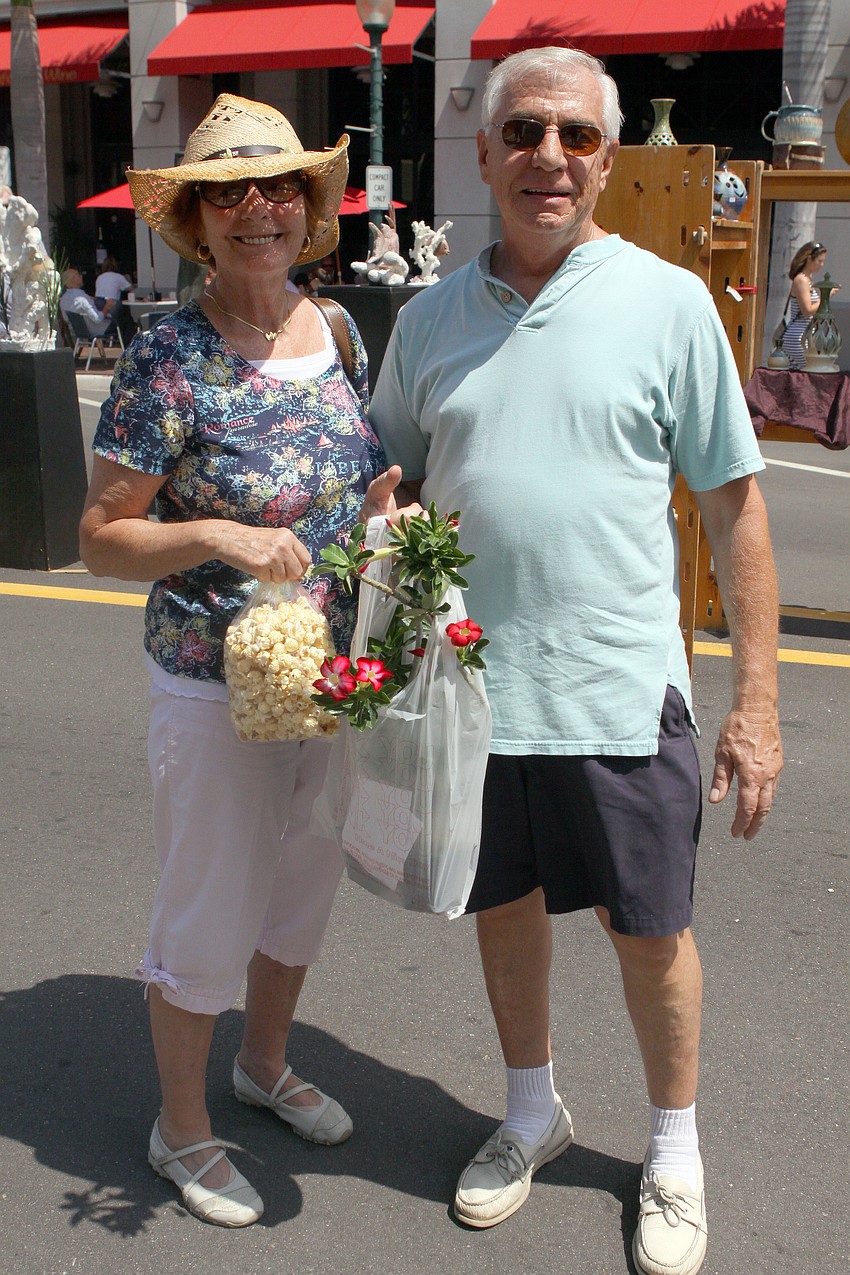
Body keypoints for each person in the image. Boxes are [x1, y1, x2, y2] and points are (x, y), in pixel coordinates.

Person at [367, 47, 783, 1275]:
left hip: (615, 685)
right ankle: (530, 1111)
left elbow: (735, 508)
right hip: (472, 696)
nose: (549, 157)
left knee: (649, 930)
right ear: (486, 152)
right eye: (524, 132)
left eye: (575, 136)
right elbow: (385, 481)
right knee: (499, 911)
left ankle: (674, 1147)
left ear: (607, 156)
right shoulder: (430, 318)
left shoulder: (667, 305)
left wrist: (756, 704)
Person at [79, 94, 389, 1229]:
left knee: (301, 884)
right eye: (228, 192)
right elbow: (103, 537)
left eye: (279, 187)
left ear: (309, 208)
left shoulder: (340, 330)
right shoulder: (169, 355)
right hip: (213, 681)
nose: (258, 208)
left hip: (327, 672)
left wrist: (390, 518)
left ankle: (262, 1064)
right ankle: (181, 1126)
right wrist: (215, 534)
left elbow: (358, 474)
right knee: (210, 900)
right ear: (196, 222)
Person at [782, 240, 828, 369]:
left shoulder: (807, 280)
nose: (822, 265)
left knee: (802, 377)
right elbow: (807, 310)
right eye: (819, 261)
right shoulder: (801, 280)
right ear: (809, 259)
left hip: (804, 335)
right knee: (812, 372)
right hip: (798, 337)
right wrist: (826, 296)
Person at [59, 267, 115, 334]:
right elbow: (97, 319)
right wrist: (108, 306)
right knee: (123, 322)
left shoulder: (63, 299)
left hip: (77, 331)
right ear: (73, 279)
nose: (81, 276)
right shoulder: (83, 299)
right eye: (78, 275)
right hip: (96, 330)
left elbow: (66, 319)